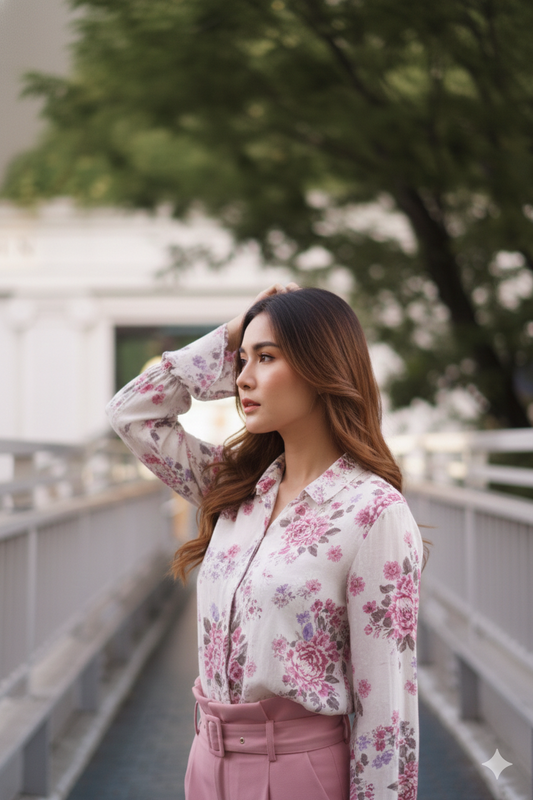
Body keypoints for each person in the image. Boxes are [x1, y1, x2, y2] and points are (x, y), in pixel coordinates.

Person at [106, 284, 425, 800]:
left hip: (300, 775)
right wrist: (230, 332)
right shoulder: (234, 486)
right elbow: (131, 414)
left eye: (266, 357)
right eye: (241, 359)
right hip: (206, 766)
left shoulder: (373, 513)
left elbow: (387, 715)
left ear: (321, 367)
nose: (243, 378)